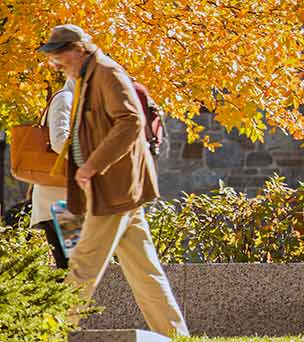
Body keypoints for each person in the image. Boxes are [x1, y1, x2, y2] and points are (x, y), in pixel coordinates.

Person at [38, 24, 189, 336]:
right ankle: (176, 336)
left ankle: (50, 334)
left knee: (82, 264)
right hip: (118, 190)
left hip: (114, 189)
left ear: (78, 49)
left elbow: (131, 121)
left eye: (60, 58)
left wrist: (92, 165)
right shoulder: (87, 77)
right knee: (145, 272)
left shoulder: (106, 72)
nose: (56, 64)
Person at [31, 79, 74, 269]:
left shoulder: (74, 100)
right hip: (59, 203)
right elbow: (58, 141)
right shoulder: (65, 99)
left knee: (71, 268)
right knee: (72, 267)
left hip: (62, 200)